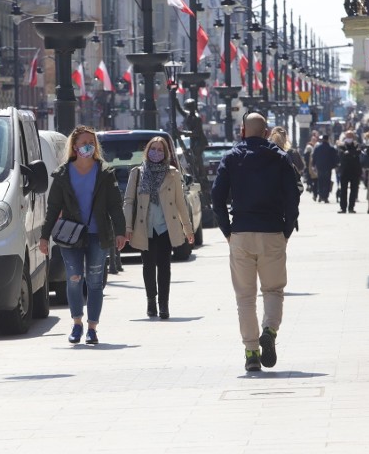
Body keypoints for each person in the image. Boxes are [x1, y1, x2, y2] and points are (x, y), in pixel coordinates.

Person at [211, 112, 301, 372]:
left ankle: (251, 351)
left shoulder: (231, 157)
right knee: (273, 290)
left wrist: (227, 231)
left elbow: (217, 197)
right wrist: (285, 230)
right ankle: (269, 331)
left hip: (241, 232)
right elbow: (292, 198)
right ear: (266, 132)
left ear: (242, 131)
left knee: (245, 297)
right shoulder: (281, 158)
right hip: (272, 231)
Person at [40, 126, 127, 345]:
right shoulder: (62, 174)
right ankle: (77, 323)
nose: (89, 146)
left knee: (95, 282)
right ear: (75, 146)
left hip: (99, 235)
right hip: (71, 236)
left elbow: (115, 205)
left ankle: (92, 328)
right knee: (74, 278)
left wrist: (120, 231)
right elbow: (53, 208)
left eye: (92, 142)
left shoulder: (104, 172)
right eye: (84, 142)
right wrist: (44, 236)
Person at [123, 137, 194, 320]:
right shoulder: (137, 173)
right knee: (148, 265)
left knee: (164, 266)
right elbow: (129, 201)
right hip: (145, 227)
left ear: (166, 153)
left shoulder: (172, 173)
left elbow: (180, 203)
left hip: (165, 228)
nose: (156, 152)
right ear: (147, 151)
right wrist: (127, 227)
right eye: (153, 149)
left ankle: (164, 304)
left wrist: (188, 229)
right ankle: (151, 300)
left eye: (160, 150)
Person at [269, 126, 304, 194]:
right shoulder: (292, 153)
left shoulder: (265, 152)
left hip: (269, 197)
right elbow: (301, 167)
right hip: (287, 197)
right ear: (285, 138)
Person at [336, 130, 362, 213]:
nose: (349, 138)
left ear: (353, 137)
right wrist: (352, 154)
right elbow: (341, 154)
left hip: (355, 171)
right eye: (348, 136)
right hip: (344, 171)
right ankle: (343, 207)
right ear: (345, 137)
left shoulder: (356, 145)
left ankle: (351, 207)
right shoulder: (342, 145)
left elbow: (358, 152)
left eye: (351, 136)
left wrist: (349, 153)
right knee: (343, 190)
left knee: (354, 190)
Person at [311, 134, 338, 203]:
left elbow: (314, 157)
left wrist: (314, 165)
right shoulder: (331, 148)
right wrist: (334, 166)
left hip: (319, 167)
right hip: (328, 168)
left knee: (320, 181)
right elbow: (335, 158)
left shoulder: (318, 148)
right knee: (327, 182)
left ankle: (320, 196)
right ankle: (325, 197)